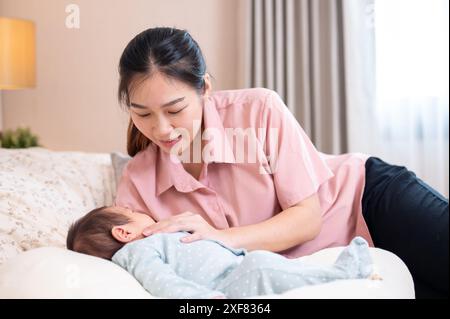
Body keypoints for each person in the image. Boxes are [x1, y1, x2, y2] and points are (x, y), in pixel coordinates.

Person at [114, 27, 448, 298]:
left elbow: (307, 219)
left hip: (368, 200)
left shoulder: (257, 109)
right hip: (340, 261)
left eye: (174, 110)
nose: (161, 129)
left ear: (205, 90)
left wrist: (219, 237)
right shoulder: (138, 182)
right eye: (142, 114)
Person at [66, 205, 379, 299]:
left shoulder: (155, 241)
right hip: (234, 281)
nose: (141, 211)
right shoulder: (138, 252)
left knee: (288, 275)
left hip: (240, 268)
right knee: (277, 274)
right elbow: (163, 282)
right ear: (124, 232)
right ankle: (342, 274)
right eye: (132, 211)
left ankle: (337, 276)